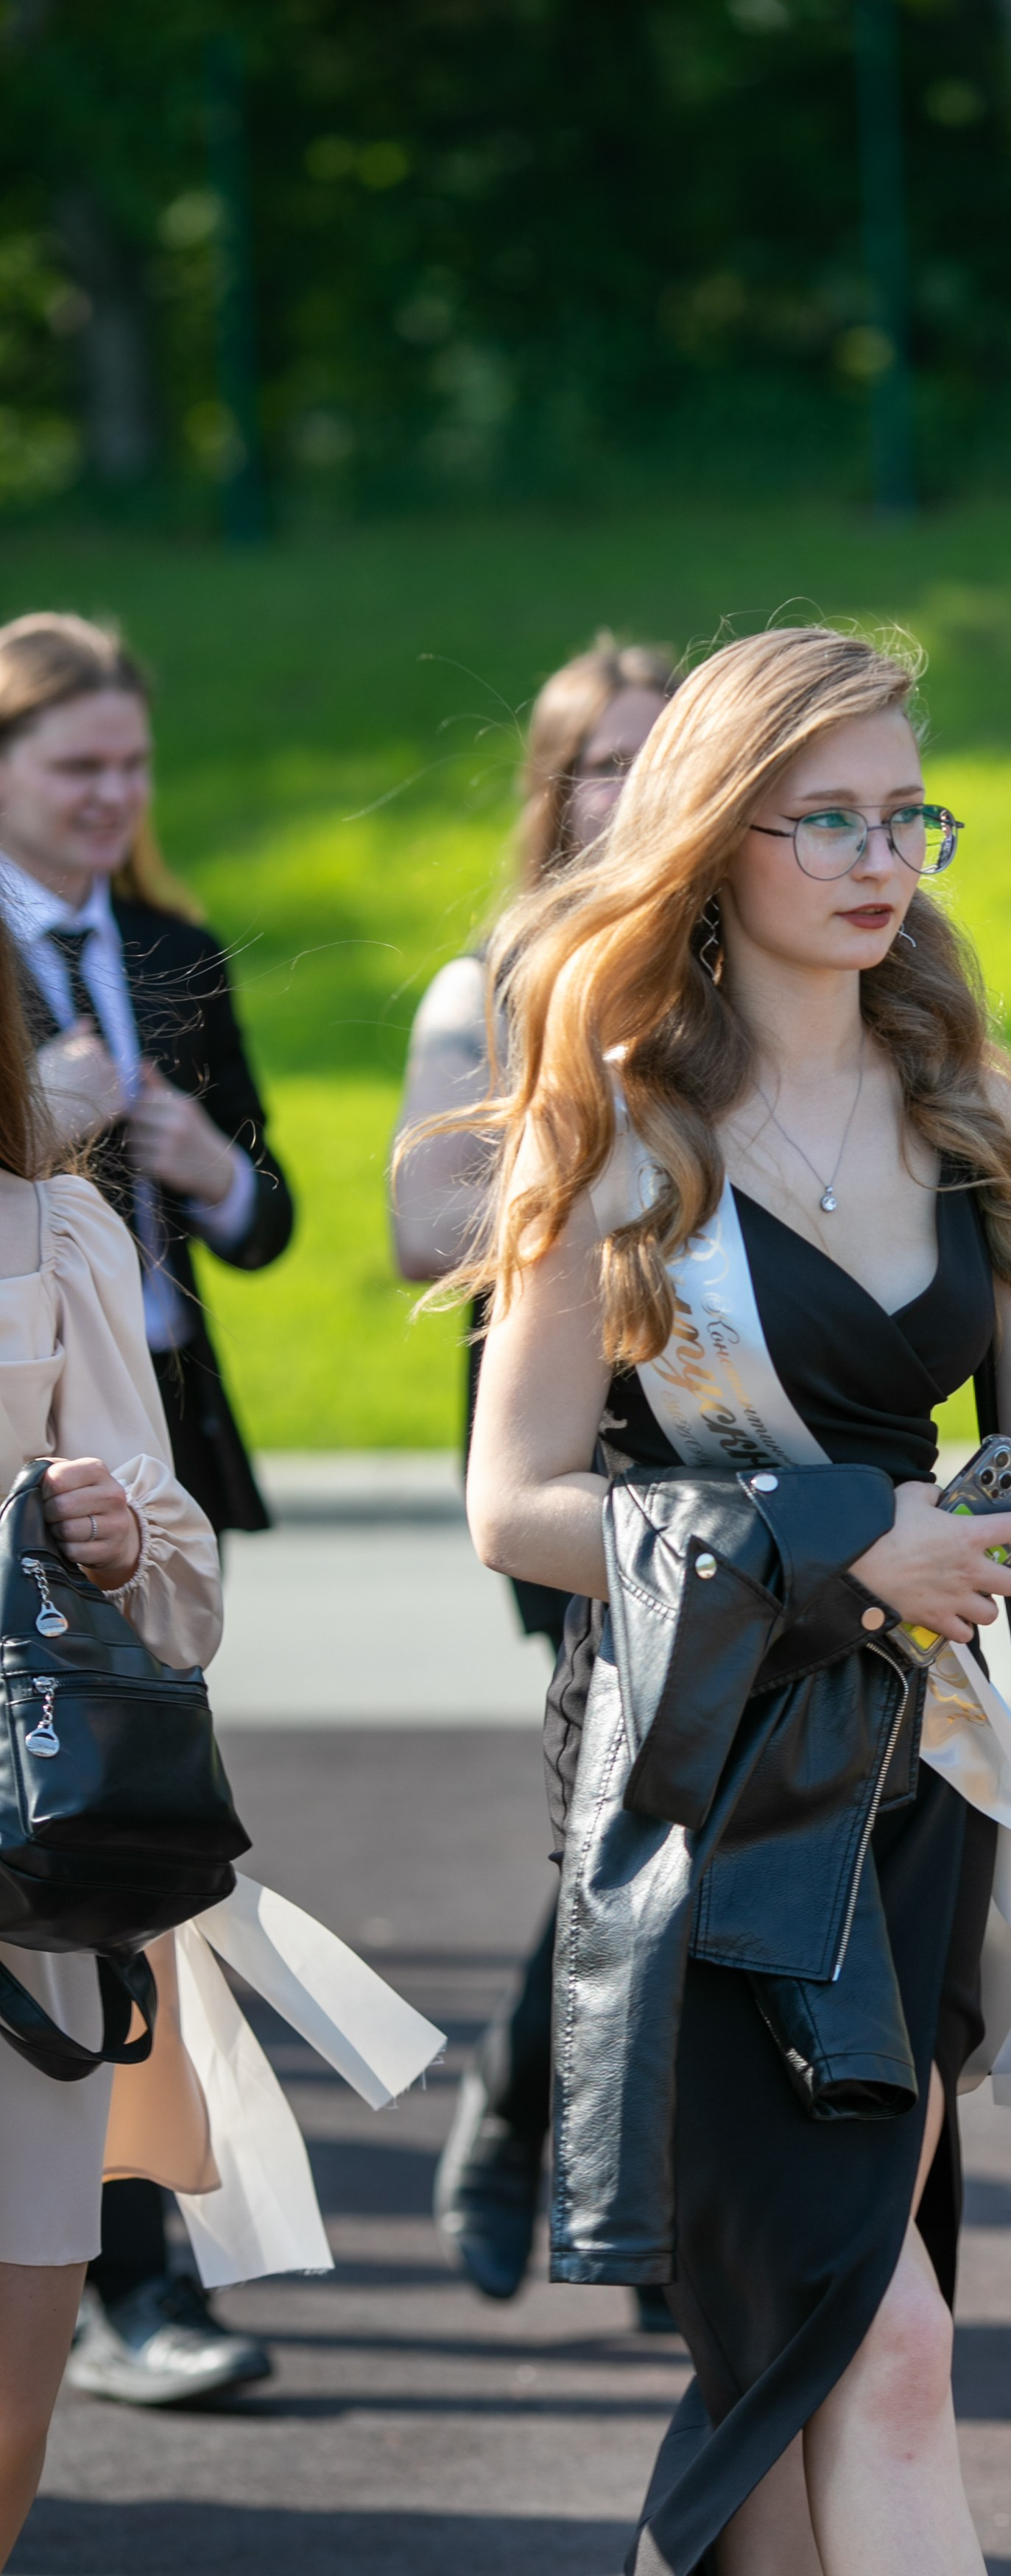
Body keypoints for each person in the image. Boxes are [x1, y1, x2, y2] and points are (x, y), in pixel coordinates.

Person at [455, 623, 1011, 2572]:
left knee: (819, 2350)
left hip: (919, 1778)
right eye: (820, 816)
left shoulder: (959, 1104)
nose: (876, 857)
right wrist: (829, 1540)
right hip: (709, 1792)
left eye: (905, 812)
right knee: (865, 2344)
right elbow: (511, 1505)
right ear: (710, 838)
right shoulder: (615, 1123)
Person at [0, 612, 292, 2405]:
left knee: (135, 1835)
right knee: (68, 1849)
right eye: (75, 767)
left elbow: (271, 1219)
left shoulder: (172, 949)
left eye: (131, 766)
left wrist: (205, 1166)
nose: (114, 798)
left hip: (155, 1441)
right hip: (28, 1457)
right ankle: (127, 2277)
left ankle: (125, 2254)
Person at [392, 636, 675, 2315]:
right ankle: (542, 2124)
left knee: (660, 1794)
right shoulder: (496, 974)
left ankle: (555, 2125)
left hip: (741, 1416)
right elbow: (429, 1228)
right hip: (563, 1424)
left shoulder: (738, 955)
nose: (633, 789)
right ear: (550, 788)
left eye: (659, 753)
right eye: (602, 760)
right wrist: (589, 1143)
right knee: (624, 1793)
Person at [0, 913, 225, 2562]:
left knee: (10, 2397)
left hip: (24, 1896)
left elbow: (187, 1592)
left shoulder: (54, 1228)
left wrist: (121, 1531)